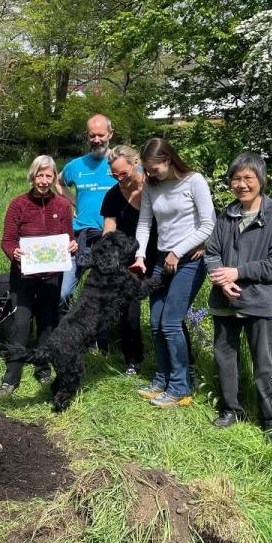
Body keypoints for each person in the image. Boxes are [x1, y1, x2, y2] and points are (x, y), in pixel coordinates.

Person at [205, 152, 272, 437]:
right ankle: (231, 409)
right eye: (236, 178)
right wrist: (222, 280)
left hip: (258, 301)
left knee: (263, 362)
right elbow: (212, 253)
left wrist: (237, 273)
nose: (241, 184)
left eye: (248, 178)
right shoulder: (226, 216)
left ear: (260, 180)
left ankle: (268, 419)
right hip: (224, 299)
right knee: (224, 357)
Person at [132, 138, 216, 408]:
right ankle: (161, 379)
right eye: (147, 169)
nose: (150, 174)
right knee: (156, 322)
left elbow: (208, 225)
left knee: (170, 322)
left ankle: (180, 387)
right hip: (160, 258)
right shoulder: (151, 185)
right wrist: (140, 254)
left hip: (189, 260)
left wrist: (178, 251)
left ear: (169, 160)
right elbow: (145, 222)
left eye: (154, 169)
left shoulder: (194, 181)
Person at [0, 155, 77, 400]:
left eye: (48, 176)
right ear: (32, 176)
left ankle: (43, 367)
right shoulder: (18, 204)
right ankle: (12, 374)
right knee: (21, 323)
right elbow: (7, 240)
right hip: (23, 274)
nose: (43, 180)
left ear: (54, 178)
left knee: (47, 323)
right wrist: (14, 252)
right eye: (40, 175)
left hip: (51, 275)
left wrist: (73, 246)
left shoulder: (63, 206)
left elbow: (69, 238)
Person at [56, 114, 116, 313]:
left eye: (101, 135)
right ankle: (65, 335)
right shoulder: (76, 165)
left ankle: (101, 341)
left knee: (103, 295)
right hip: (80, 237)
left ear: (110, 134)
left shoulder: (120, 163)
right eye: (92, 136)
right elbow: (58, 182)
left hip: (109, 239)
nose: (96, 140)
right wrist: (73, 202)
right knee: (64, 293)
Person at [101, 145, 148, 376]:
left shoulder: (153, 188)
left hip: (158, 255)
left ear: (135, 163)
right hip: (127, 260)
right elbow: (109, 231)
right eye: (114, 174)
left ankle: (177, 363)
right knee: (129, 311)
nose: (119, 179)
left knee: (165, 313)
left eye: (123, 174)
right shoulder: (112, 195)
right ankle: (132, 359)